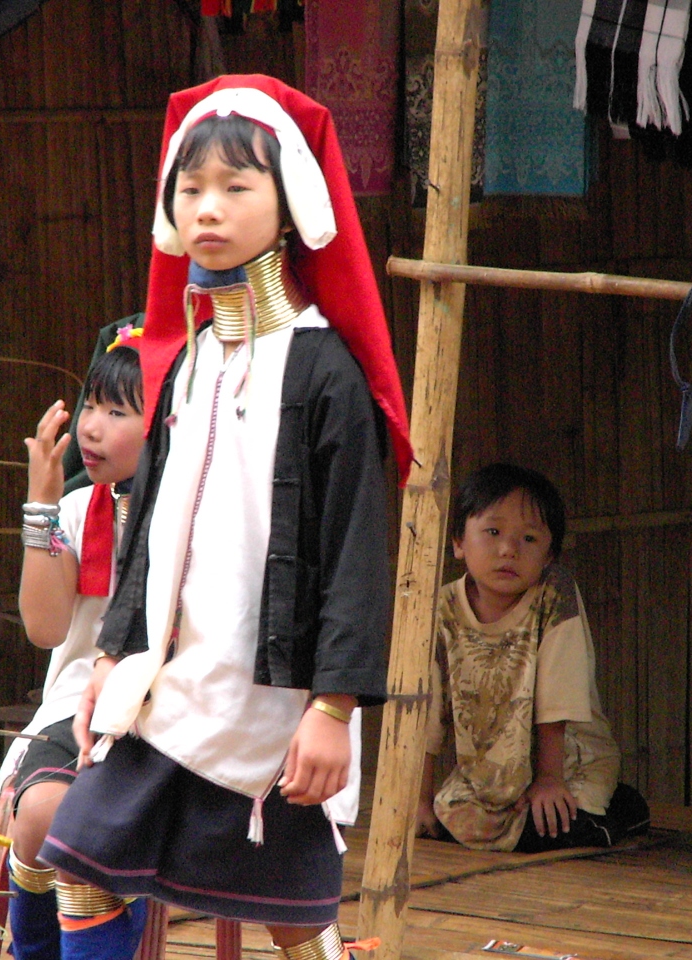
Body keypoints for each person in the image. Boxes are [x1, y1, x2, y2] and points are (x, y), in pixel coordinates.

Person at [38, 74, 412, 960]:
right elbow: (151, 527)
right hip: (164, 685)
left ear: (292, 206)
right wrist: (111, 657)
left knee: (294, 919)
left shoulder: (327, 374)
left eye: (237, 188)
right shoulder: (191, 360)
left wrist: (333, 707)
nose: (209, 209)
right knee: (81, 861)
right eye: (192, 188)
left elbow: (358, 550)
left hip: (273, 702)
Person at [0, 328, 148, 960]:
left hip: (174, 714)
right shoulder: (80, 509)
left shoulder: (206, 514)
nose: (91, 427)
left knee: (89, 835)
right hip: (78, 709)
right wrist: (41, 505)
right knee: (40, 816)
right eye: (91, 405)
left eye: (118, 412)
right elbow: (46, 628)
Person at [416, 463, 648, 853]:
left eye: (528, 538)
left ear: (548, 555)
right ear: (458, 541)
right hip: (489, 773)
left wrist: (549, 781)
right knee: (452, 821)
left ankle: (626, 807)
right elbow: (423, 712)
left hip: (567, 760)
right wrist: (419, 801)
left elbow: (558, 693)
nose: (509, 549)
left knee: (560, 831)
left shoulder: (554, 594)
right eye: (492, 532)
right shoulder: (442, 608)